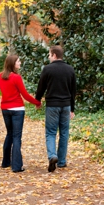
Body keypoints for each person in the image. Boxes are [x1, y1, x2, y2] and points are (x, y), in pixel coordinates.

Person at [0, 54, 42, 173]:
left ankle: (5, 162)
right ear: (12, 64)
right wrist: (37, 102)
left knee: (9, 134)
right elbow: (24, 95)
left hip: (5, 110)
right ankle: (16, 166)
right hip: (18, 110)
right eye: (18, 61)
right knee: (16, 136)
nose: (20, 63)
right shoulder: (16, 77)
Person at [35, 45, 77, 173]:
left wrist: (37, 100)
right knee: (64, 133)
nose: (48, 57)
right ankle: (62, 162)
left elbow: (41, 86)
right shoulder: (70, 69)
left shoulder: (47, 69)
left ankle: (53, 156)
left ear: (54, 55)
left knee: (51, 132)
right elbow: (73, 90)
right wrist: (72, 109)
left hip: (52, 105)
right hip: (66, 105)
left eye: (49, 54)